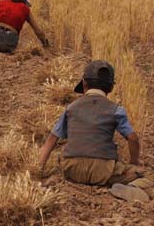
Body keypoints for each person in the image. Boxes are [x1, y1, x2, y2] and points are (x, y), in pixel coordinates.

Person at [38, 60, 143, 190]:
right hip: (103, 171)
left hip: (72, 170)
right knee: (145, 175)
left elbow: (52, 140)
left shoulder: (71, 108)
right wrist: (134, 162)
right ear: (111, 87)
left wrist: (39, 169)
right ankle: (129, 186)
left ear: (84, 83)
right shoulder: (116, 109)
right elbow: (133, 138)